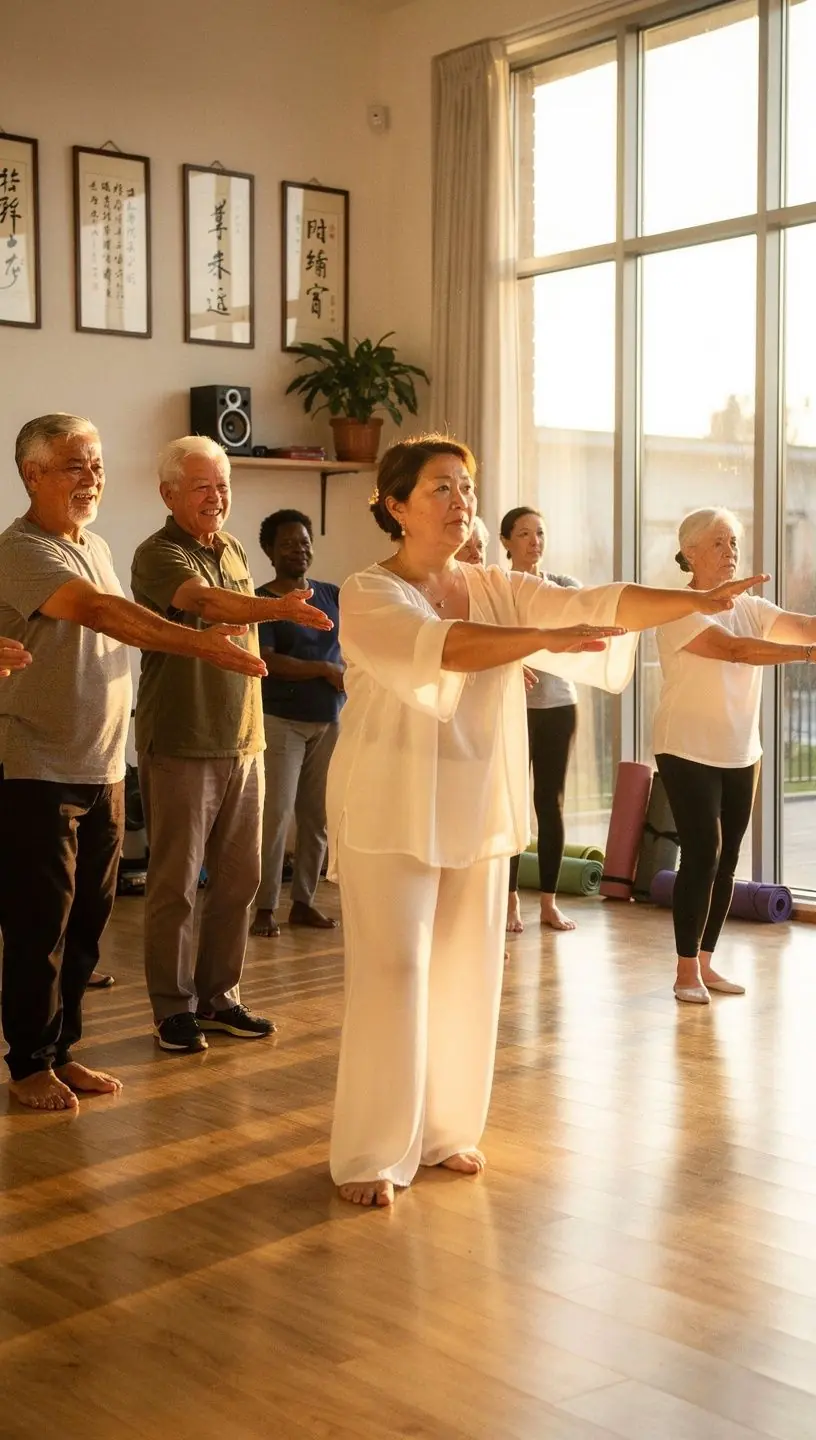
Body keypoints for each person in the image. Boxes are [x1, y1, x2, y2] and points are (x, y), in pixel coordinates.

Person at [326, 434, 764, 1206]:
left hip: (471, 801)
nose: (461, 500)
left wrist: (693, 601)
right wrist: (542, 639)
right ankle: (370, 1153)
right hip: (388, 803)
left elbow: (597, 604)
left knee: (467, 968)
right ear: (395, 507)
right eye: (440, 488)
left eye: (466, 486)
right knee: (395, 973)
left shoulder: (496, 585)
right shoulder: (367, 590)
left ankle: (444, 1133)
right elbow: (447, 649)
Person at [0, 413, 267, 1111]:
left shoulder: (96, 545)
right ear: (32, 476)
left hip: (103, 764)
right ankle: (28, 1062)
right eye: (73, 466)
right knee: (41, 926)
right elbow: (102, 614)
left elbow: (118, 623)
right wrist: (198, 642)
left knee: (87, 926)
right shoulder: (25, 549)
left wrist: (207, 631)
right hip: (36, 762)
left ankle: (63, 1052)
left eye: (96, 466)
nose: (91, 479)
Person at [131, 437, 332, 1055]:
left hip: (245, 738)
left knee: (240, 879)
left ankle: (220, 997)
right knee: (175, 883)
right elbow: (202, 602)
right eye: (201, 487)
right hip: (182, 739)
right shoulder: (158, 554)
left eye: (222, 486)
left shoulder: (237, 548)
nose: (216, 498)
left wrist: (268, 610)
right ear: (168, 494)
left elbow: (234, 613)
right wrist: (278, 609)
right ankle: (173, 1010)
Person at [654, 507, 816, 1004]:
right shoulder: (679, 609)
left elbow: (800, 626)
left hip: (741, 749)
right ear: (690, 553)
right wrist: (808, 656)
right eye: (720, 543)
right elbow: (735, 651)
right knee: (702, 853)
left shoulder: (750, 605)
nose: (732, 552)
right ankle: (684, 972)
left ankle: (705, 963)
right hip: (686, 746)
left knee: (726, 860)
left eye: (735, 542)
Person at [250, 509, 344, 939]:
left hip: (329, 720)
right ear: (269, 551)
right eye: (288, 543)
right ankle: (265, 906)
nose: (298, 549)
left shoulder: (331, 595)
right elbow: (268, 661)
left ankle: (303, 902)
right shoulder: (264, 601)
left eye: (304, 542)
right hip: (280, 722)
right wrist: (325, 670)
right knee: (276, 814)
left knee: (317, 817)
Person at [501, 506, 581, 934]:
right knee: (513, 806)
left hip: (559, 707)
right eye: (525, 533)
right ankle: (511, 900)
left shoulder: (564, 586)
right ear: (507, 542)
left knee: (549, 804)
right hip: (511, 707)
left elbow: (580, 617)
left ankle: (549, 903)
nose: (534, 541)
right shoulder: (498, 587)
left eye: (540, 533)